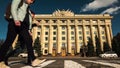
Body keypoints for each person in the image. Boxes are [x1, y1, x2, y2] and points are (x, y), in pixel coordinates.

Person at [0, 0, 46, 68]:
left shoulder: (27, 6)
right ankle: (0, 61)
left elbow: (27, 19)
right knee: (9, 42)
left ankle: (33, 60)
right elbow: (13, 7)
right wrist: (15, 19)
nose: (31, 2)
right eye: (31, 0)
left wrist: (29, 29)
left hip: (22, 25)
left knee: (29, 40)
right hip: (14, 22)